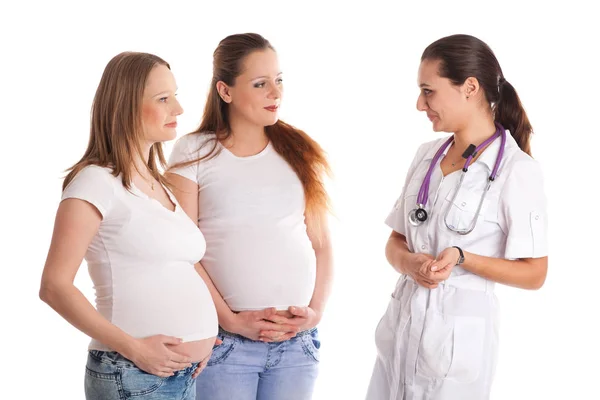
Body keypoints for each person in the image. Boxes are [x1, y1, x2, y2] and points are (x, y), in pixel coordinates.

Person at [366, 34, 549, 400]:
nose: (420, 104)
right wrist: (410, 263)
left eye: (428, 91)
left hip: (456, 350)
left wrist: (462, 257)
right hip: (401, 332)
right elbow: (395, 241)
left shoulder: (516, 170)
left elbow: (535, 273)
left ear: (469, 88)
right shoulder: (426, 155)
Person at [39, 51, 218, 400]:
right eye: (163, 99)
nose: (178, 109)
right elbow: (54, 286)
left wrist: (202, 337)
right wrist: (134, 348)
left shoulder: (159, 183)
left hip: (180, 376)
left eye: (176, 96)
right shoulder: (94, 182)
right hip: (131, 375)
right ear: (125, 106)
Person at [166, 33, 333, 400]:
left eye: (279, 80)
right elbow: (181, 252)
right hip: (227, 344)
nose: (276, 93)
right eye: (260, 84)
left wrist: (316, 312)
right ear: (225, 91)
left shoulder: (299, 150)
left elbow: (321, 244)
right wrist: (229, 319)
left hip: (296, 344)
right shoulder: (194, 151)